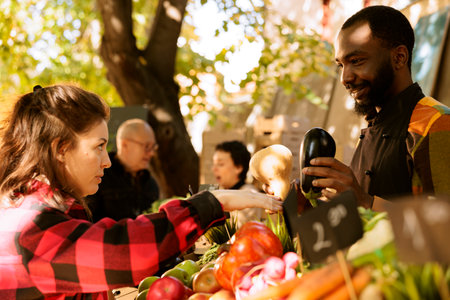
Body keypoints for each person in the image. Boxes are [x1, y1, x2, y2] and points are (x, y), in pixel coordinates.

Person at [0, 84, 282, 299]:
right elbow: (122, 252)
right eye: (99, 146)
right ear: (61, 149)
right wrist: (210, 203)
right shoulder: (29, 228)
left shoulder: (42, 208)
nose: (107, 160)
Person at [301, 5, 450, 209]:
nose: (345, 78)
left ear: (399, 57)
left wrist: (364, 201)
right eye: (341, 65)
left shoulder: (436, 122)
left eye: (356, 61)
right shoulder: (375, 120)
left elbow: (443, 224)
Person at [87, 118, 159, 222]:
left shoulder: (151, 184)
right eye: (147, 146)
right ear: (124, 144)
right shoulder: (99, 178)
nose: (151, 153)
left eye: (153, 147)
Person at [212, 140, 263, 227]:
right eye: (214, 164)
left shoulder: (250, 194)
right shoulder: (220, 190)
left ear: (238, 167)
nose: (214, 169)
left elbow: (235, 228)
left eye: (220, 164)